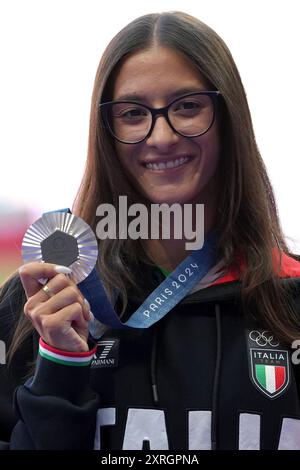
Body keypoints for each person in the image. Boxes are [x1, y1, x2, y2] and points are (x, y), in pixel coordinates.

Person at [1, 10, 300, 451]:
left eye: (188, 106)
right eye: (132, 113)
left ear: (229, 117)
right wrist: (60, 363)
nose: (161, 136)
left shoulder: (289, 296)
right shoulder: (41, 304)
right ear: (107, 129)